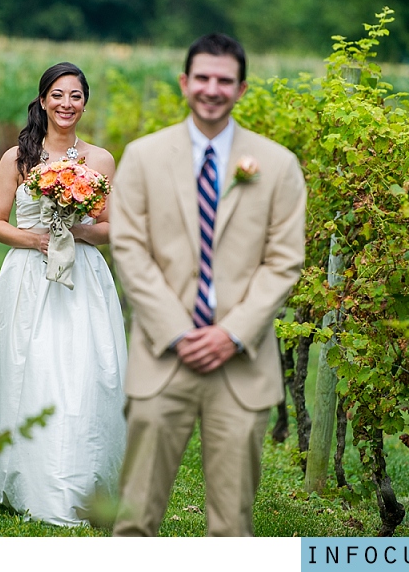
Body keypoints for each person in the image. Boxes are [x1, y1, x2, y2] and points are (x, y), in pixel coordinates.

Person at [110, 34, 306, 536]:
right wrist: (177, 331)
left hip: (240, 362)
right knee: (134, 520)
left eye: (224, 80)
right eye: (202, 78)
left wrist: (230, 333)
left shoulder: (278, 165)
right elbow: (130, 249)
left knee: (231, 526)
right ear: (184, 82)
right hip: (162, 356)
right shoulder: (142, 157)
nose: (212, 89)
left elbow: (284, 262)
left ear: (241, 89)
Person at [0, 62, 127, 527]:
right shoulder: (17, 158)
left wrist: (75, 230)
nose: (66, 104)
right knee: (30, 368)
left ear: (84, 103)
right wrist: (36, 238)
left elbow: (110, 229)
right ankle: (24, 476)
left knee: (82, 373)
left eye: (75, 96)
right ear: (42, 100)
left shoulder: (99, 160)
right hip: (28, 276)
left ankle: (79, 479)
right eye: (57, 95)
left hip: (83, 278)